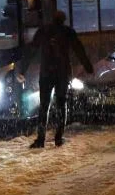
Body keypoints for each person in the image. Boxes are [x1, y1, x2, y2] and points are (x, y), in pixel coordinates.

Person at [17, 10, 94, 148]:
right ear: (63, 20)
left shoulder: (43, 31)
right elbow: (79, 50)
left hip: (46, 72)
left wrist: (23, 70)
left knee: (44, 106)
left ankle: (40, 139)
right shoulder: (68, 32)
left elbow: (32, 50)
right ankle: (59, 138)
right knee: (61, 105)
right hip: (62, 73)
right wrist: (88, 67)